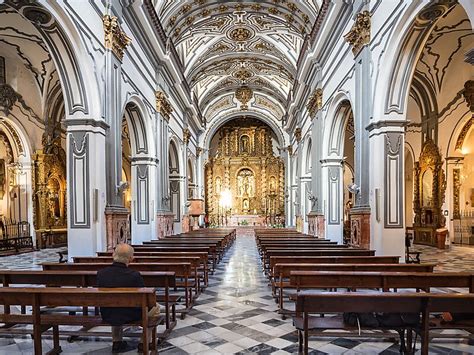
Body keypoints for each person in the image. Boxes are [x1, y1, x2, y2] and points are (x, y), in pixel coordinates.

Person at [97, 243, 160, 353]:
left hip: (108, 313)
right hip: (131, 315)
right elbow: (144, 299)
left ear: (113, 255)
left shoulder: (101, 273)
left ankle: (116, 342)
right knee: (156, 307)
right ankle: (144, 342)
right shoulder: (134, 275)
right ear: (131, 259)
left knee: (114, 304)